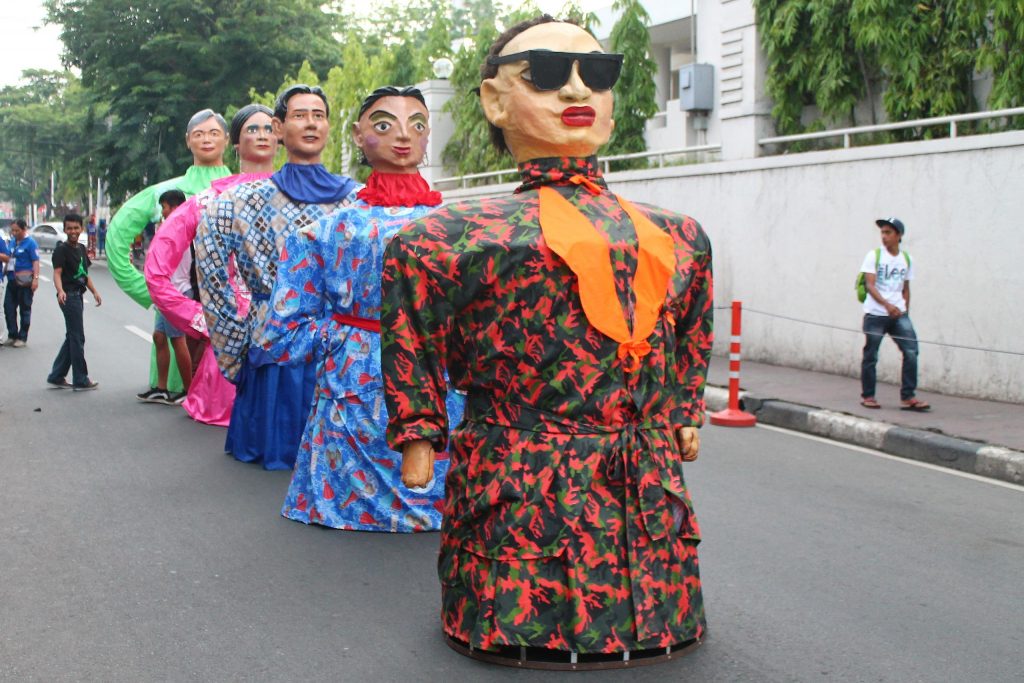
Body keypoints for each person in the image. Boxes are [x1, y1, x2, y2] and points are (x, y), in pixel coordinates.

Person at [380, 16, 713, 667]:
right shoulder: (442, 238)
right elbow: (409, 334)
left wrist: (681, 410)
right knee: (522, 582)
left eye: (598, 72)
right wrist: (418, 430)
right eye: (549, 74)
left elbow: (691, 333)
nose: (575, 89)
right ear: (495, 99)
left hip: (642, 476)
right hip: (522, 478)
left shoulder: (681, 237)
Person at [261, 86, 464, 531]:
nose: (404, 137)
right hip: (354, 390)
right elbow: (280, 331)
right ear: (357, 135)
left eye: (417, 124)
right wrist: (344, 338)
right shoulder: (327, 230)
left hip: (440, 381)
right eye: (384, 124)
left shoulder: (462, 227)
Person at [196, 85, 360, 470]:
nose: (311, 124)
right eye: (300, 115)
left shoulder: (358, 200)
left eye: (318, 115)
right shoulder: (238, 201)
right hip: (273, 344)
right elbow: (209, 270)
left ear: (329, 126)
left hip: (342, 345)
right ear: (278, 127)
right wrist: (233, 345)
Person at [145, 103, 279, 426]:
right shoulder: (211, 199)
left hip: (291, 326)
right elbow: (157, 268)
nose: (261, 136)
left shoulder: (305, 196)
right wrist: (200, 318)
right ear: (235, 143)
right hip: (236, 324)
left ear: (280, 136)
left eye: (268, 128)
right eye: (251, 129)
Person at [106, 108, 231, 395]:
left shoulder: (240, 188)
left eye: (214, 133)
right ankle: (176, 387)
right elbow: (117, 235)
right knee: (170, 339)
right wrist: (144, 288)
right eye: (199, 134)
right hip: (178, 290)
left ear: (226, 139)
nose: (206, 140)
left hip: (225, 292)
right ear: (188, 141)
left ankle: (200, 392)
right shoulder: (168, 191)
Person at [859, 217, 930, 411]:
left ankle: (908, 397)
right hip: (875, 314)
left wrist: (904, 308)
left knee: (911, 351)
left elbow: (905, 287)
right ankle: (868, 396)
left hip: (899, 314)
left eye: (888, 232)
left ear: (899, 235)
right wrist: (886, 305)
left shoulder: (906, 259)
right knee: (871, 354)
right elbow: (869, 284)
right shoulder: (874, 256)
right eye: (882, 232)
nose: (884, 237)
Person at [136, 190, 192, 405]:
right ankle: (161, 388)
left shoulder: (182, 227)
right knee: (159, 337)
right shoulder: (169, 227)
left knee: (178, 340)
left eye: (165, 208)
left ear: (175, 207)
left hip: (176, 292)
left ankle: (189, 392)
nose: (163, 212)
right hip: (166, 291)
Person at [46, 213, 102, 390]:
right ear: (64, 229)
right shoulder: (61, 250)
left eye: (76, 228)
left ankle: (56, 375)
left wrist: (94, 292)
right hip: (68, 297)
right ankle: (80, 379)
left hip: (78, 295)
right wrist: (60, 290)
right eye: (69, 228)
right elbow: (57, 273)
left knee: (72, 336)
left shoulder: (82, 249)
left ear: (81, 229)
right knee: (78, 337)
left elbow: (84, 274)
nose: (73, 231)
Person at [4, 219, 40, 347]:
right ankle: (12, 334)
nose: (14, 233)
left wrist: (35, 279)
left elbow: (36, 262)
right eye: (12, 230)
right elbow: (9, 258)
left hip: (25, 282)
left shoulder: (31, 243)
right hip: (12, 280)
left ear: (24, 229)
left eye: (17, 230)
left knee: (25, 309)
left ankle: (22, 337)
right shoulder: (12, 242)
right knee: (8, 308)